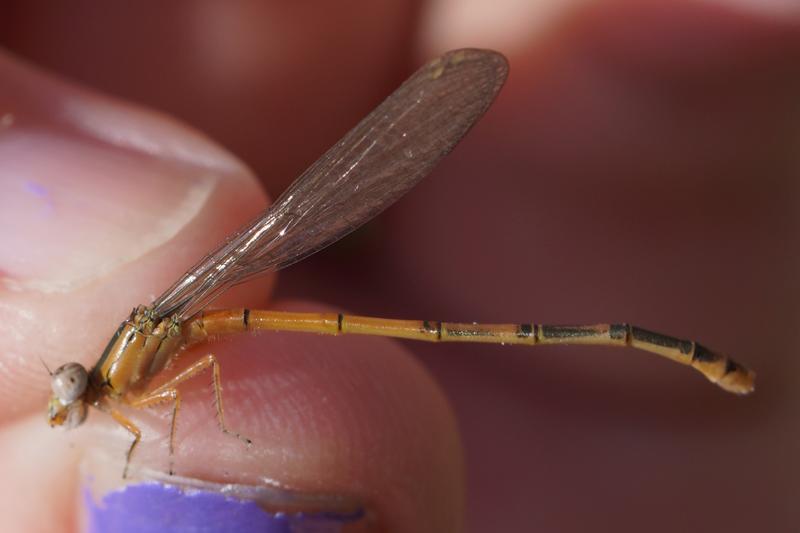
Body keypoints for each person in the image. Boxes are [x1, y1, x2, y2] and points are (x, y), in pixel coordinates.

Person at [0, 1, 797, 531]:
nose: (74, 396)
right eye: (72, 390)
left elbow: (195, 391)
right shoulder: (126, 376)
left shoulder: (134, 357)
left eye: (74, 393)